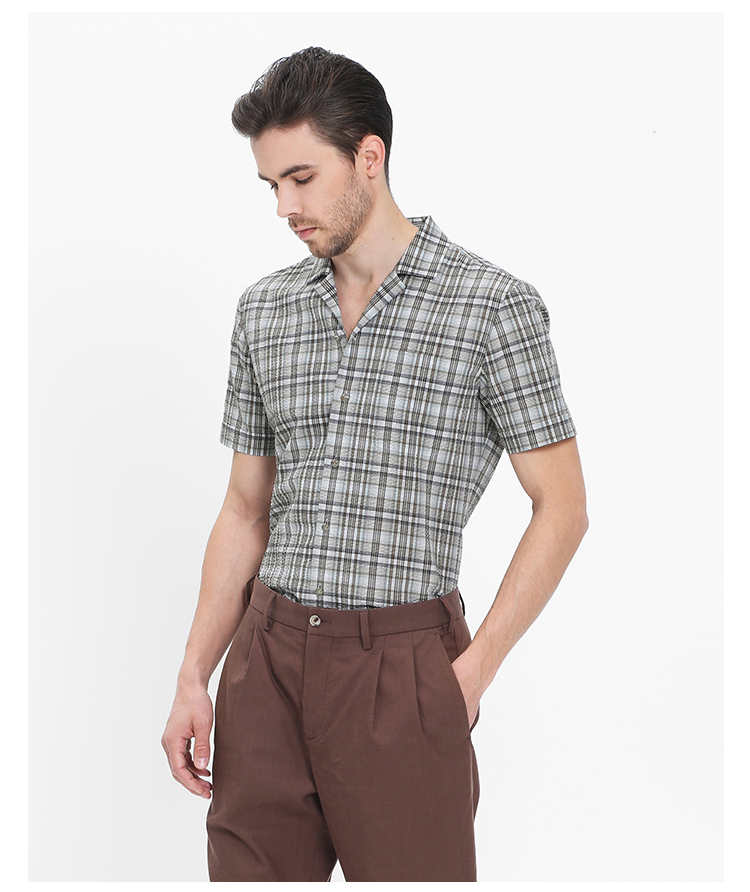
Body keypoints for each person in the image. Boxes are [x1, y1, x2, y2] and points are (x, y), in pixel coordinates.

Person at [161, 46, 588, 883]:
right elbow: (245, 510)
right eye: (270, 185)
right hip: (266, 662)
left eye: (301, 178)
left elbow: (562, 508)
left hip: (403, 670)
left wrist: (469, 675)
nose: (284, 207)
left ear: (369, 156)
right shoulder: (266, 310)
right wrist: (192, 675)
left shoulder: (492, 308)